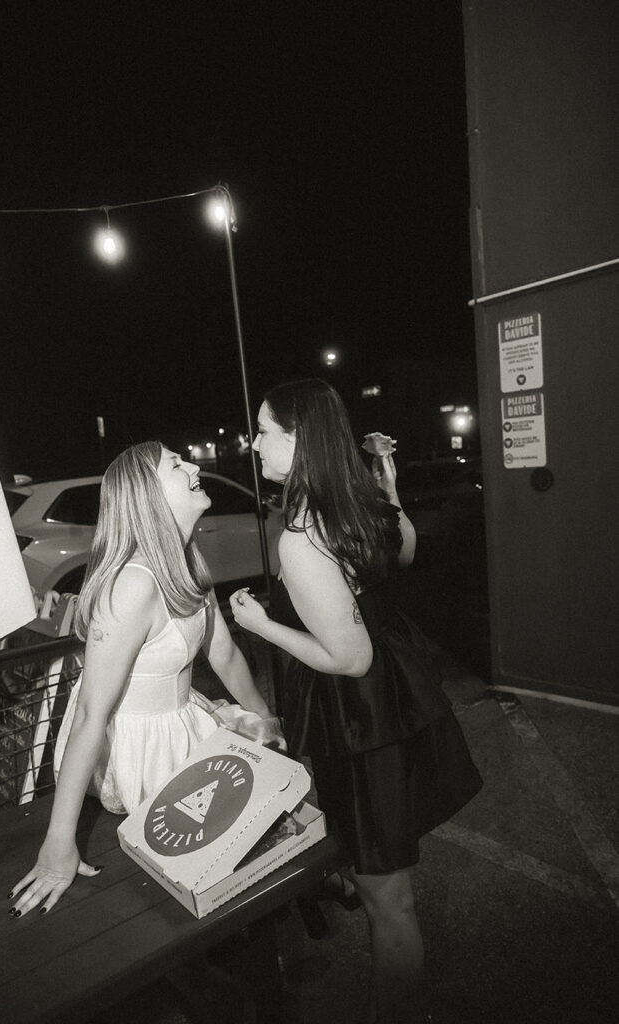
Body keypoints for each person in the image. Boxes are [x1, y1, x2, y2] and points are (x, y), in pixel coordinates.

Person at [230, 380, 482, 1024]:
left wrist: (261, 626)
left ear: (300, 438)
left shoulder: (302, 534)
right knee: (380, 873)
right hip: (392, 705)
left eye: (264, 430)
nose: (253, 443)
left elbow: (349, 657)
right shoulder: (354, 501)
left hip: (360, 717)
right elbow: (407, 549)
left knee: (389, 899)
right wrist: (388, 483)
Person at [9, 441, 284, 918]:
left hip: (188, 723)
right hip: (142, 751)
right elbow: (92, 714)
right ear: (148, 495)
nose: (195, 465)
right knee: (194, 876)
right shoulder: (131, 586)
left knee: (248, 848)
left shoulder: (189, 559)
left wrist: (266, 721)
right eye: (177, 464)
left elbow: (225, 655)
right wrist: (59, 845)